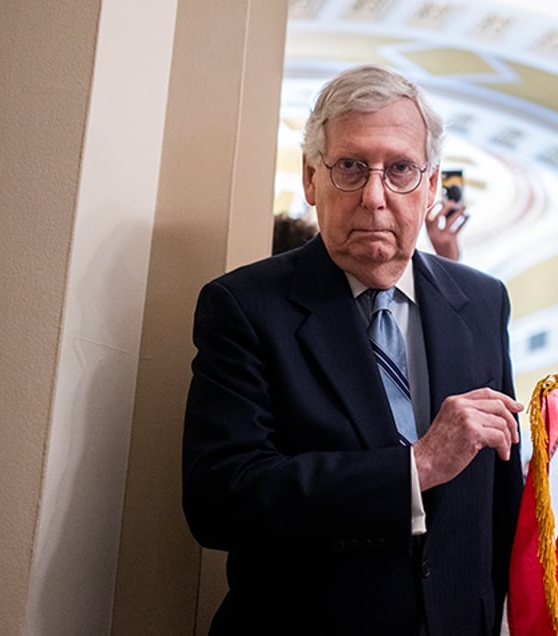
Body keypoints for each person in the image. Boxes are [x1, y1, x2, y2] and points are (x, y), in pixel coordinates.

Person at [182, 64, 523, 636]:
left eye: (400, 170)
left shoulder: (483, 302)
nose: (374, 196)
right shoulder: (243, 306)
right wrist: (414, 468)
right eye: (350, 167)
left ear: (431, 185)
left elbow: (499, 499)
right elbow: (220, 501)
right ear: (311, 178)